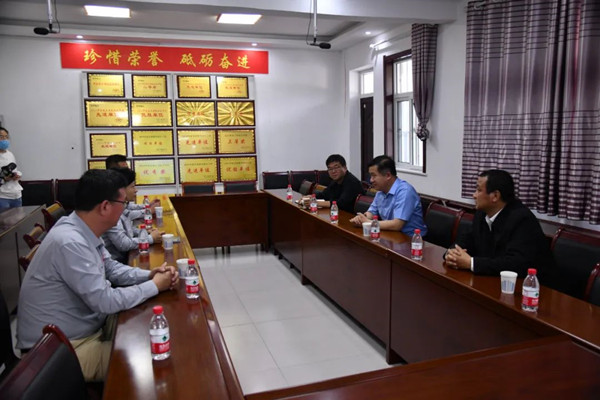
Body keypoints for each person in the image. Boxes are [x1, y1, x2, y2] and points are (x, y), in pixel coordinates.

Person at [17, 169, 178, 382]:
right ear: (105, 206)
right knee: (147, 354)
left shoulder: (82, 229)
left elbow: (111, 268)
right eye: (123, 203)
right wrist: (155, 286)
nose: (126, 209)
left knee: (147, 326)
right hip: (57, 352)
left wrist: (149, 275)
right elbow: (105, 300)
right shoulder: (70, 242)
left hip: (83, 329)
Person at [444, 169, 555, 284]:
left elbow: (515, 263)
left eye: (479, 190)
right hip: (493, 280)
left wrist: (471, 263)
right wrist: (451, 254)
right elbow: (465, 239)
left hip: (532, 287)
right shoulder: (481, 214)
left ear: (495, 196)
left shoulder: (522, 219)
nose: (474, 195)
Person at [350, 155, 427, 235]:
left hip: (412, 239)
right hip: (391, 234)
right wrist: (362, 218)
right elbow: (372, 212)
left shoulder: (405, 191)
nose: (371, 180)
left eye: (374, 175)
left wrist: (368, 222)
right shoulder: (380, 191)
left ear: (388, 175)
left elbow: (397, 224)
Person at [102, 167, 163, 263]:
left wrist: (143, 232)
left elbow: (126, 229)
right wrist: (150, 238)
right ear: (122, 190)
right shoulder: (112, 210)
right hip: (117, 261)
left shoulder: (121, 206)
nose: (136, 190)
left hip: (122, 258)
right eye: (132, 186)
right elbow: (123, 244)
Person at [104, 154, 159, 218]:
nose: (127, 170)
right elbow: (127, 214)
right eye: (124, 168)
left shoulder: (121, 199)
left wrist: (146, 206)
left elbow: (128, 207)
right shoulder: (109, 192)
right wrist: (149, 210)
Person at [0, 126, 23, 211]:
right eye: (1, 137)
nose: (4, 139)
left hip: (16, 194)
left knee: (19, 218)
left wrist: (16, 175)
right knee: (5, 219)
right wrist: (4, 179)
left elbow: (14, 170)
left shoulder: (10, 154)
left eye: (6, 137)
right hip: (3, 196)